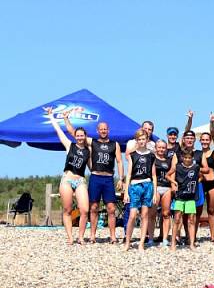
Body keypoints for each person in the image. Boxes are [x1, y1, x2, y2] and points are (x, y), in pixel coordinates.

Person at [62, 114, 124, 244]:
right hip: (95, 177)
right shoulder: (92, 142)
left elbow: (119, 161)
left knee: (111, 208)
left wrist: (121, 178)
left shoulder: (115, 144)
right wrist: (66, 119)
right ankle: (92, 235)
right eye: (101, 129)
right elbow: (74, 133)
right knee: (93, 207)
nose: (103, 131)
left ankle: (112, 236)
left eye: (105, 129)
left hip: (108, 179)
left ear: (108, 130)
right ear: (97, 131)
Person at [46, 107, 90, 245]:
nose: (80, 137)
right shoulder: (69, 145)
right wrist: (51, 116)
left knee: (84, 210)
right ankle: (70, 237)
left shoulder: (88, 151)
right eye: (78, 135)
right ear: (75, 136)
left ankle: (81, 236)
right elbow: (59, 131)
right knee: (67, 209)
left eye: (82, 135)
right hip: (67, 180)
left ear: (85, 136)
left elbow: (93, 168)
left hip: (80, 181)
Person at [122, 129, 157, 251]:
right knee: (132, 215)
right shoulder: (132, 155)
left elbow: (153, 175)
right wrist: (126, 191)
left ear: (147, 140)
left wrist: (154, 193)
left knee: (145, 215)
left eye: (144, 139)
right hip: (135, 185)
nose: (142, 141)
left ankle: (142, 242)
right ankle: (127, 241)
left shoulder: (152, 155)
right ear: (136, 140)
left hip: (147, 185)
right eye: (139, 139)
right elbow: (129, 174)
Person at [168, 148, 200, 250]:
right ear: (182, 158)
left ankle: (191, 243)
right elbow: (168, 175)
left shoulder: (196, 167)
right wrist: (174, 182)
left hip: (191, 197)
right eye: (185, 157)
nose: (187, 159)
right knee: (177, 219)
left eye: (189, 157)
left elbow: (202, 175)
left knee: (191, 220)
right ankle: (173, 243)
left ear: (192, 158)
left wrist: (196, 182)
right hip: (180, 197)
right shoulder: (178, 167)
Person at [197, 132, 214, 242]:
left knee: (212, 210)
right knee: (197, 210)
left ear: (210, 141)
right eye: (203, 140)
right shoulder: (196, 153)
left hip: (212, 182)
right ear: (200, 141)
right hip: (200, 182)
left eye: (207, 140)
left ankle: (212, 236)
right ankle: (194, 236)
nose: (205, 142)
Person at [153, 140, 173, 246]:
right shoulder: (152, 159)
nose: (161, 149)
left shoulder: (169, 160)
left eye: (163, 148)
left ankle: (165, 239)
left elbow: (173, 173)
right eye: (159, 147)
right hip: (156, 187)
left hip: (166, 188)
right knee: (152, 214)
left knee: (166, 214)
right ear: (156, 148)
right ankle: (150, 238)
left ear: (166, 149)